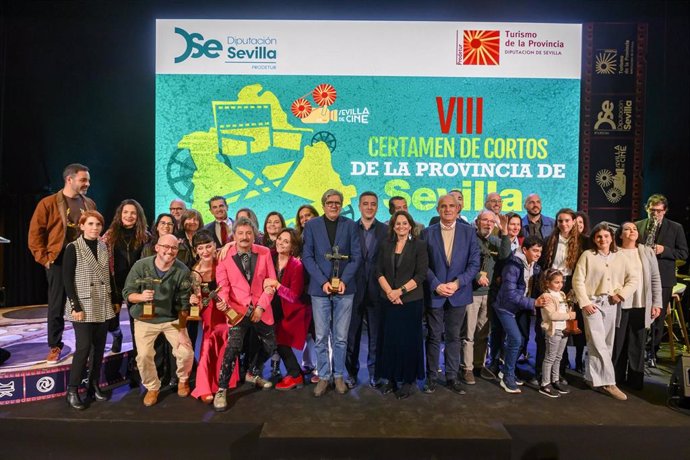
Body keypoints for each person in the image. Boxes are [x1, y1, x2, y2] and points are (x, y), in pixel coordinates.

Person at [28, 163, 96, 364]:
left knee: (85, 301)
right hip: (58, 260)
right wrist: (45, 259)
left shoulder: (89, 203)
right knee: (57, 305)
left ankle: (86, 345)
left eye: (88, 180)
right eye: (83, 180)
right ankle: (55, 346)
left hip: (83, 260)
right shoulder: (48, 203)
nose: (87, 184)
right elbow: (35, 234)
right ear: (70, 179)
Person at [213, 217, 277, 411]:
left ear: (255, 235)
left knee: (270, 345)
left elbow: (271, 283)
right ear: (234, 236)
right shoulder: (224, 255)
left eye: (248, 233)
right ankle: (222, 388)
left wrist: (260, 307)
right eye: (240, 233)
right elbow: (223, 285)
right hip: (237, 310)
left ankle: (252, 372)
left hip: (261, 309)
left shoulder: (265, 253)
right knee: (233, 348)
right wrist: (223, 301)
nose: (244, 237)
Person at [302, 189, 362, 397]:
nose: (334, 205)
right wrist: (322, 282)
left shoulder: (351, 226)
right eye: (330, 202)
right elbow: (307, 257)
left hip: (346, 290)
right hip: (320, 290)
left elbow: (356, 257)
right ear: (323, 204)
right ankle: (324, 376)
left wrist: (344, 281)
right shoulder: (311, 226)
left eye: (337, 202)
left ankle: (338, 376)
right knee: (320, 336)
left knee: (341, 337)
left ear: (341, 204)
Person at [122, 233, 194, 407]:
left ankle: (183, 379)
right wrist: (140, 296)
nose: (170, 251)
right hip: (144, 319)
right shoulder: (141, 266)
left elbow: (184, 304)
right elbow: (127, 293)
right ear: (157, 247)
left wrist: (183, 332)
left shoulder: (182, 270)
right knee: (144, 355)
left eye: (174, 248)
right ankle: (152, 387)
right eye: (166, 247)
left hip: (171, 319)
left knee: (186, 352)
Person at [572, 223, 640, 401]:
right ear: (594, 239)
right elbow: (577, 280)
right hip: (592, 304)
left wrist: (621, 295)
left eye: (606, 236)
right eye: (599, 237)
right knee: (597, 341)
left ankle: (590, 377)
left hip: (611, 303)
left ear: (612, 238)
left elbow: (633, 279)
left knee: (606, 343)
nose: (603, 239)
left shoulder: (620, 257)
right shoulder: (587, 255)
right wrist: (585, 302)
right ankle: (609, 382)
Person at [421, 194, 480, 395]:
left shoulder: (469, 232)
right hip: (435, 293)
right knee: (433, 336)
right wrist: (436, 285)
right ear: (438, 209)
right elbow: (423, 265)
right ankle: (431, 377)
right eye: (443, 206)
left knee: (454, 336)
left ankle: (452, 377)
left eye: (451, 206)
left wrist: (457, 283)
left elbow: (474, 264)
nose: (447, 209)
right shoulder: (427, 233)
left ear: (458, 209)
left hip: (459, 293)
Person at [62, 210, 115, 410]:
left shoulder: (103, 246)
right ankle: (72, 390)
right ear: (82, 226)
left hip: (101, 303)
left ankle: (93, 385)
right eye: (91, 224)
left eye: (98, 225)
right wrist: (75, 305)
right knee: (83, 347)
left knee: (99, 348)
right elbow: (67, 279)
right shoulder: (73, 248)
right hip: (82, 304)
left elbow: (107, 275)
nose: (95, 228)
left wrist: (113, 299)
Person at [375, 211, 428, 399]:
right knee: (389, 340)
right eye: (398, 224)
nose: (401, 227)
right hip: (388, 301)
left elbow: (421, 275)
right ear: (393, 226)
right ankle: (390, 378)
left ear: (410, 225)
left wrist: (400, 291)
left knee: (408, 342)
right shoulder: (385, 244)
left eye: (405, 223)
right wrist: (390, 292)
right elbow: (378, 271)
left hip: (410, 302)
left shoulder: (419, 246)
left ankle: (408, 381)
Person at [634, 194, 688, 364]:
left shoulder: (675, 227)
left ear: (665, 211)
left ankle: (653, 351)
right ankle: (638, 349)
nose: (655, 214)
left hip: (663, 279)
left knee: (658, 316)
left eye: (658, 211)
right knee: (639, 313)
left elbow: (684, 253)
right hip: (640, 277)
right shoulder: (637, 226)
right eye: (652, 210)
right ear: (646, 209)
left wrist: (664, 250)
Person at [189, 230, 239, 403]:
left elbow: (238, 244)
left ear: (215, 246)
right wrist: (195, 300)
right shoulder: (195, 272)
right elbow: (199, 302)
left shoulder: (223, 260)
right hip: (209, 311)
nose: (205, 251)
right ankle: (203, 385)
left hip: (228, 307)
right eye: (201, 248)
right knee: (208, 344)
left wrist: (229, 244)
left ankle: (224, 380)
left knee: (228, 342)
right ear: (195, 251)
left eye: (208, 246)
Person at [461, 210, 510, 385]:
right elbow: (463, 263)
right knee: (468, 333)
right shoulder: (469, 239)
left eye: (491, 221)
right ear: (477, 222)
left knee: (482, 333)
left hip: (488, 294)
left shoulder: (496, 241)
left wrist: (504, 231)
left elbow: (505, 256)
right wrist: (476, 277)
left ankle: (478, 365)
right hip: (471, 293)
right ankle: (466, 368)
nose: (488, 224)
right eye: (484, 220)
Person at [539, 208, 589, 376]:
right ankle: (552, 370)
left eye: (567, 220)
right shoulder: (549, 240)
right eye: (560, 221)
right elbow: (543, 264)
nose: (564, 224)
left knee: (570, 327)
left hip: (572, 285)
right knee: (553, 328)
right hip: (553, 285)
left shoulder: (583, 241)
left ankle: (568, 366)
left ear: (574, 221)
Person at [346, 191, 388, 389]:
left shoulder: (386, 231)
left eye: (373, 204)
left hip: (378, 291)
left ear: (377, 207)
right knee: (351, 335)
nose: (369, 207)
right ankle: (350, 374)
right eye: (365, 204)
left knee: (376, 336)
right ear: (359, 206)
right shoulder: (349, 229)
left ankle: (375, 374)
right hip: (353, 290)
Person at [494, 236, 546, 393]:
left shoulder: (535, 266)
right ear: (525, 250)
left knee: (522, 340)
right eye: (535, 251)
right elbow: (509, 294)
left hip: (520, 308)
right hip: (505, 307)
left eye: (540, 251)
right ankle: (507, 376)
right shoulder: (513, 265)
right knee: (516, 339)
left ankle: (506, 370)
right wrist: (533, 303)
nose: (538, 254)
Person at [614, 222, 662, 389]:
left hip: (641, 304)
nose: (631, 231)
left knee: (637, 343)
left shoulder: (646, 251)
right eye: (627, 229)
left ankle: (635, 381)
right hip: (620, 304)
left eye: (634, 229)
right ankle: (615, 378)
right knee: (618, 343)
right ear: (620, 234)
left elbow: (655, 279)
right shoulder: (614, 252)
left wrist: (657, 303)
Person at [264, 228, 311, 391]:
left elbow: (294, 295)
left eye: (286, 241)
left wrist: (277, 285)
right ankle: (295, 373)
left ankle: (296, 375)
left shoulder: (296, 265)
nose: (281, 243)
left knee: (282, 343)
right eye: (279, 239)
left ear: (293, 247)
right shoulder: (270, 256)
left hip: (292, 311)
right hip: (272, 309)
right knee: (276, 343)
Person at [102, 199, 149, 355]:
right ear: (120, 214)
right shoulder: (109, 236)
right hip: (115, 285)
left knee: (137, 322)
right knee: (110, 323)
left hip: (136, 286)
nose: (129, 216)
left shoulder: (145, 236)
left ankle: (137, 359)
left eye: (133, 213)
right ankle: (117, 335)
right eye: (126, 212)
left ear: (138, 216)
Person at [537, 269, 576, 398]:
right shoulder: (546, 297)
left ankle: (555, 380)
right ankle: (545, 384)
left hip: (564, 330)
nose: (560, 285)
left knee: (558, 357)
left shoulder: (562, 294)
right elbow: (552, 315)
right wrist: (569, 315)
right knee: (550, 357)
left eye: (561, 282)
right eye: (556, 282)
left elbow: (563, 308)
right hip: (554, 331)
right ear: (547, 283)